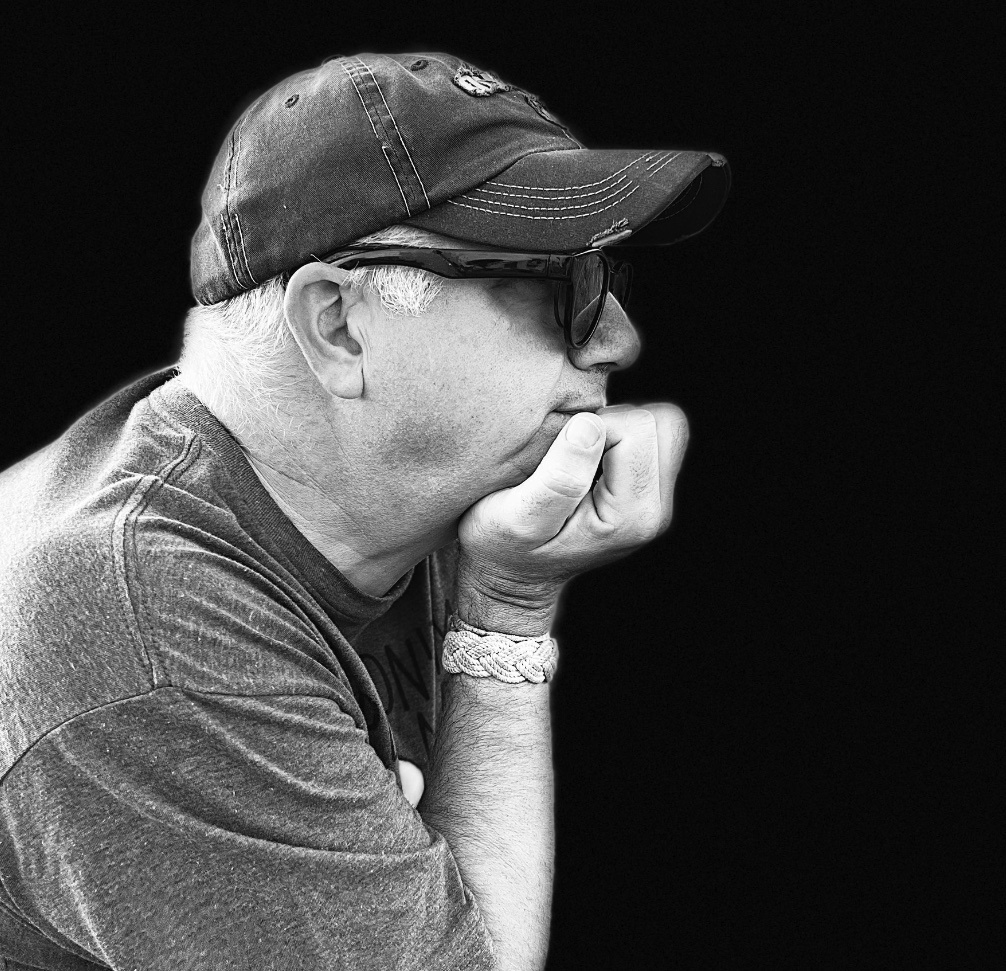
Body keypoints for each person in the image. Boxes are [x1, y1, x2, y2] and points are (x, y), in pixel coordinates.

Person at [0, 51, 730, 971]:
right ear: (339, 325)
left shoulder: (353, 495)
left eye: (610, 274)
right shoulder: (154, 637)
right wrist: (506, 618)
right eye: (560, 285)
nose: (618, 335)